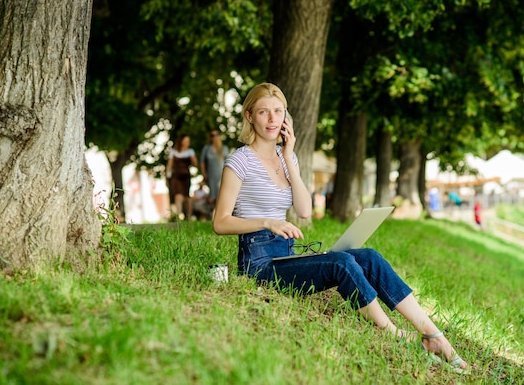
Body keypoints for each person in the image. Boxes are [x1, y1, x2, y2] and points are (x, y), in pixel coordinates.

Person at [213, 82, 469, 373]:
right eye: (263, 112)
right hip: (258, 264)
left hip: (285, 255)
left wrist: (289, 158)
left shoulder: (288, 159)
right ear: (249, 116)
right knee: (342, 263)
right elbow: (220, 222)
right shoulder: (239, 161)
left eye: (278, 111)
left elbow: (304, 210)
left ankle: (434, 334)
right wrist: (268, 222)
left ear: (286, 116)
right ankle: (397, 336)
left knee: (368, 256)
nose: (272, 119)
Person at [166, 135, 198, 220]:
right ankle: (180, 215)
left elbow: (195, 164)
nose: (188, 143)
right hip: (176, 176)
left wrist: (193, 160)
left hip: (186, 176)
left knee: (187, 197)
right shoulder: (173, 151)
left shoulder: (190, 151)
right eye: (186, 140)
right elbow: (170, 164)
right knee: (178, 196)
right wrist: (167, 175)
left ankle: (189, 215)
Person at [200, 130, 229, 212]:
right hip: (211, 174)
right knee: (212, 195)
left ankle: (221, 213)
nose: (214, 137)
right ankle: (213, 214)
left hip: (221, 174)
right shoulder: (206, 148)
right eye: (212, 135)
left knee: (221, 193)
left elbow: (228, 162)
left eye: (216, 135)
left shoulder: (224, 148)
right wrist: (203, 173)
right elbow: (202, 162)